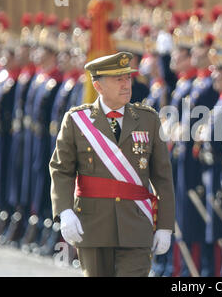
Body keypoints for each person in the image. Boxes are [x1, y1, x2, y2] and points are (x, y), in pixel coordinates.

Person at [49, 51, 175, 277]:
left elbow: (163, 177)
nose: (127, 84)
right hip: (93, 224)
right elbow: (61, 170)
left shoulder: (148, 119)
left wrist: (165, 225)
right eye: (118, 79)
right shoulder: (77, 121)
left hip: (136, 225)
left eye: (127, 78)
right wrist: (65, 211)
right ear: (98, 86)